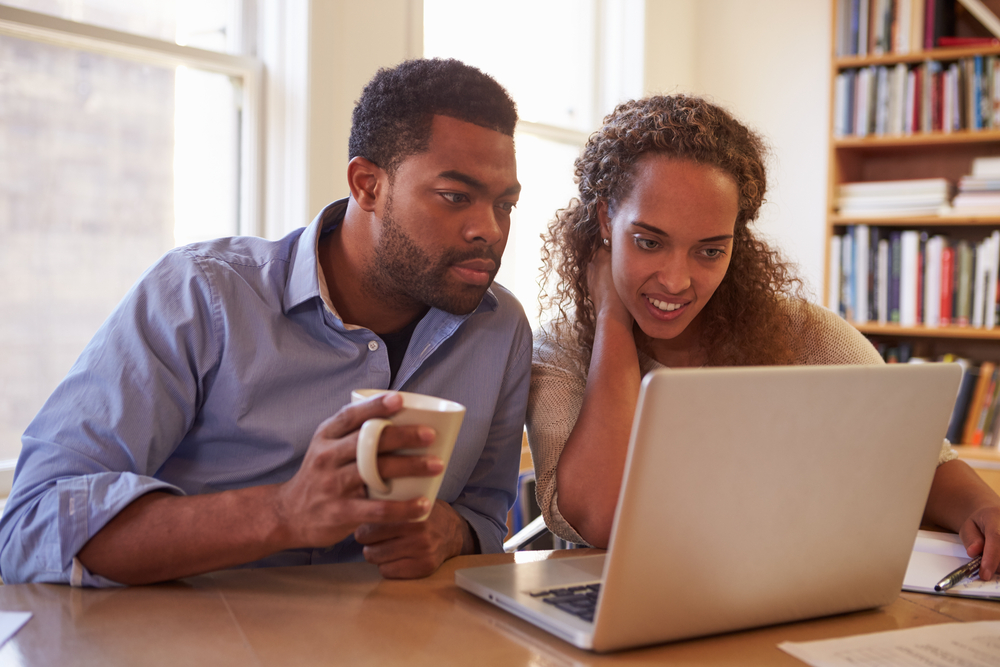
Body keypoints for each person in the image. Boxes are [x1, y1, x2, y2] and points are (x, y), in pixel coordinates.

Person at [0, 58, 531, 587]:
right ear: (367, 185)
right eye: (455, 197)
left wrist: (451, 532)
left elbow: (483, 516)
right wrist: (281, 512)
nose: (489, 229)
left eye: (505, 205)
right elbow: (32, 524)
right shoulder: (200, 294)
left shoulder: (499, 328)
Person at [526, 94, 1000, 579]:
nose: (675, 280)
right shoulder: (559, 352)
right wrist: (611, 321)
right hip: (620, 610)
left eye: (709, 251)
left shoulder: (801, 333)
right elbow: (603, 516)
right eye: (649, 242)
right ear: (606, 218)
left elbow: (915, 455)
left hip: (778, 592)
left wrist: (982, 507)